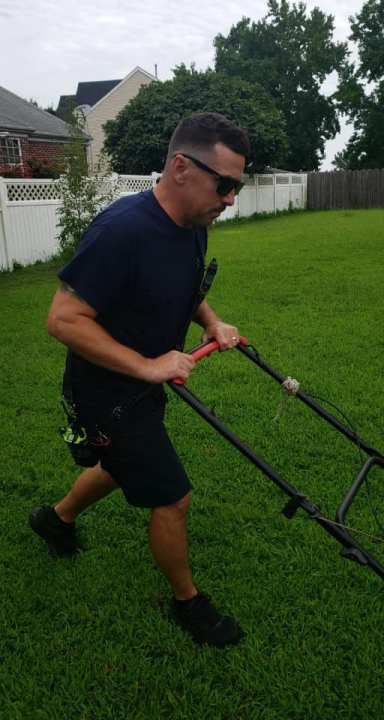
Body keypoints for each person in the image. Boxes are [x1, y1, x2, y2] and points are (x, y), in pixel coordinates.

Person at [29, 112, 250, 648]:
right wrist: (150, 365)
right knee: (172, 497)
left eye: (237, 188)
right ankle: (188, 603)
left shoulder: (192, 227)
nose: (230, 199)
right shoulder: (122, 231)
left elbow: (185, 289)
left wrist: (211, 320)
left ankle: (55, 520)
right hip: (106, 392)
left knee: (117, 466)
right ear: (181, 168)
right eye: (224, 185)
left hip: (141, 385)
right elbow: (63, 319)